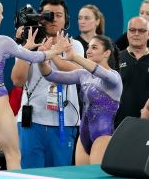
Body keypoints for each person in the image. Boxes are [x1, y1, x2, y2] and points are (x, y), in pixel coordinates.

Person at [0, 0, 69, 170]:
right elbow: (36, 57)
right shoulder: (2, 41)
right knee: (14, 155)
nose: (3, 17)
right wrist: (56, 51)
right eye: (1, 13)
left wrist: (24, 46)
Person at [11, 0, 84, 168]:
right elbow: (17, 81)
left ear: (66, 20)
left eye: (59, 15)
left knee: (60, 174)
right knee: (30, 174)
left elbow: (76, 72)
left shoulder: (74, 46)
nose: (54, 19)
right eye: (49, 15)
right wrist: (26, 49)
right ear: (39, 18)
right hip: (31, 121)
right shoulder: (27, 45)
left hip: (64, 122)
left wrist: (52, 52)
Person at [38, 35, 122, 165]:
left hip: (102, 135)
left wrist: (75, 57)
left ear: (107, 53)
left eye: (94, 48)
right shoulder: (83, 75)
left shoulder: (113, 78)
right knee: (82, 175)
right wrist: (42, 59)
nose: (88, 51)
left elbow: (101, 72)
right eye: (88, 47)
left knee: (96, 176)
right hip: (83, 136)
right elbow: (50, 75)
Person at [114, 17, 149, 128]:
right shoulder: (115, 59)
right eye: (132, 30)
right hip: (119, 124)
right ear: (127, 33)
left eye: (141, 31)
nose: (136, 34)